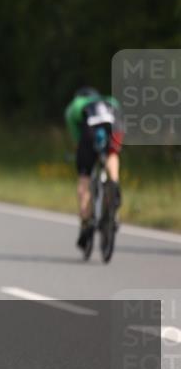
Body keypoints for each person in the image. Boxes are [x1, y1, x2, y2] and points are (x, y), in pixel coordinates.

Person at [64, 86, 124, 251]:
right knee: (112, 155)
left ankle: (85, 221)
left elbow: (77, 136)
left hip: (89, 130)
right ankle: (114, 184)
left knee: (85, 177)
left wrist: (81, 151)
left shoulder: (76, 104)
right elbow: (120, 116)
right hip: (114, 125)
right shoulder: (110, 100)